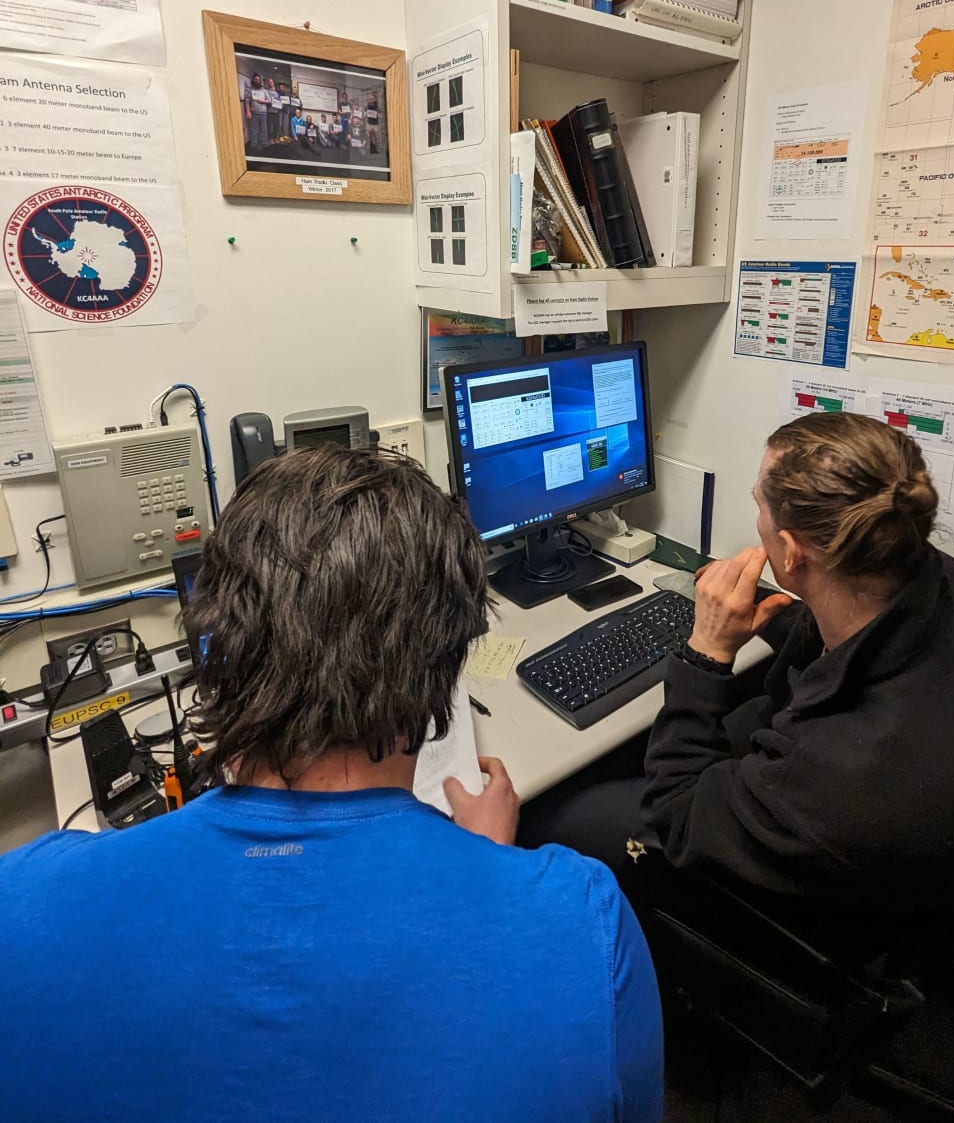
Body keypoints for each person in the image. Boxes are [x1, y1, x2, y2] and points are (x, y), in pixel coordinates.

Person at [0, 448, 663, 1123]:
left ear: (219, 645)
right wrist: (487, 868)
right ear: (445, 665)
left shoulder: (22, 902)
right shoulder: (582, 925)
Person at [521, 413, 954, 955]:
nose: (755, 516)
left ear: (792, 551)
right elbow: (844, 637)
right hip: (906, 832)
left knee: (557, 816)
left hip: (822, 902)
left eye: (759, 504)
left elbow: (678, 816)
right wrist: (770, 616)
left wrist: (706, 653)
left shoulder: (838, 775)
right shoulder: (943, 581)